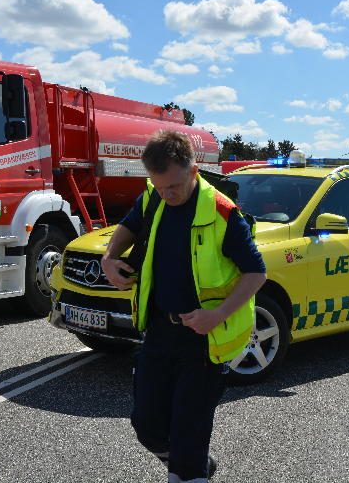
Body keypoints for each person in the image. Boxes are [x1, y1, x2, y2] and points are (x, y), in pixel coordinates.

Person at [101, 131, 266, 483]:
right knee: (146, 425)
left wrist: (217, 315)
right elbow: (127, 228)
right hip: (159, 332)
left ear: (194, 171)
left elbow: (256, 273)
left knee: (188, 439)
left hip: (204, 341)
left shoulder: (223, 213)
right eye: (159, 187)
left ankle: (189, 469)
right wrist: (109, 258)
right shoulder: (153, 198)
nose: (166, 195)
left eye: (173, 186)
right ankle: (191, 465)